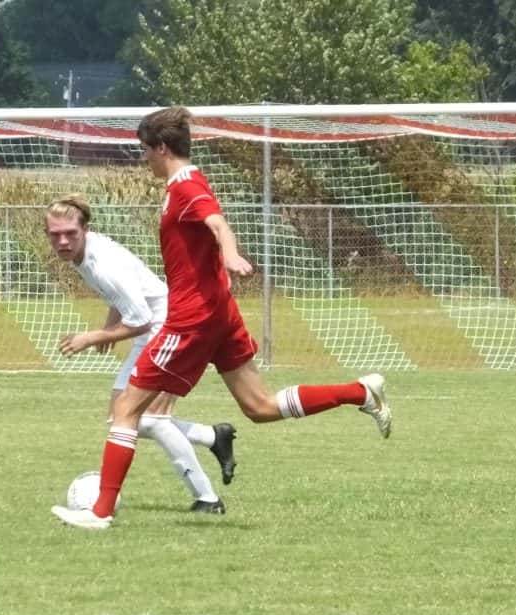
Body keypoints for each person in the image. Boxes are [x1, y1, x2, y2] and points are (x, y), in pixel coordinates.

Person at [51, 107, 391, 530]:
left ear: (161, 148)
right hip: (218, 313)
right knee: (260, 407)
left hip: (191, 319)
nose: (145, 158)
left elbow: (217, 223)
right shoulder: (181, 185)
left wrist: (229, 254)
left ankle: (99, 513)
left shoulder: (186, 185)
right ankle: (360, 391)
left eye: (145, 150)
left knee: (126, 410)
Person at [45, 195, 237, 513]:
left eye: (70, 233)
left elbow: (141, 319)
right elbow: (121, 297)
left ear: (85, 230)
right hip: (153, 328)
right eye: (55, 235)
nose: (63, 241)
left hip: (167, 327)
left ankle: (208, 498)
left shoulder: (100, 264)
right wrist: (110, 326)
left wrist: (94, 336)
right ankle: (212, 437)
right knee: (122, 417)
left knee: (149, 419)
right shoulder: (87, 252)